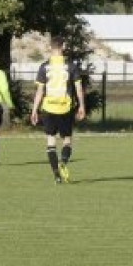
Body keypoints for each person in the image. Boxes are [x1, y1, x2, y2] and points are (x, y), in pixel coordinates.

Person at [30, 36, 86, 184]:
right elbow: (78, 89)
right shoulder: (71, 66)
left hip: (48, 108)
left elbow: (40, 91)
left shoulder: (44, 66)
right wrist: (81, 106)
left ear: (50, 47)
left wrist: (34, 110)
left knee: (50, 142)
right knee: (67, 141)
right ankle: (63, 163)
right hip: (65, 108)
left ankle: (56, 175)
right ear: (64, 46)